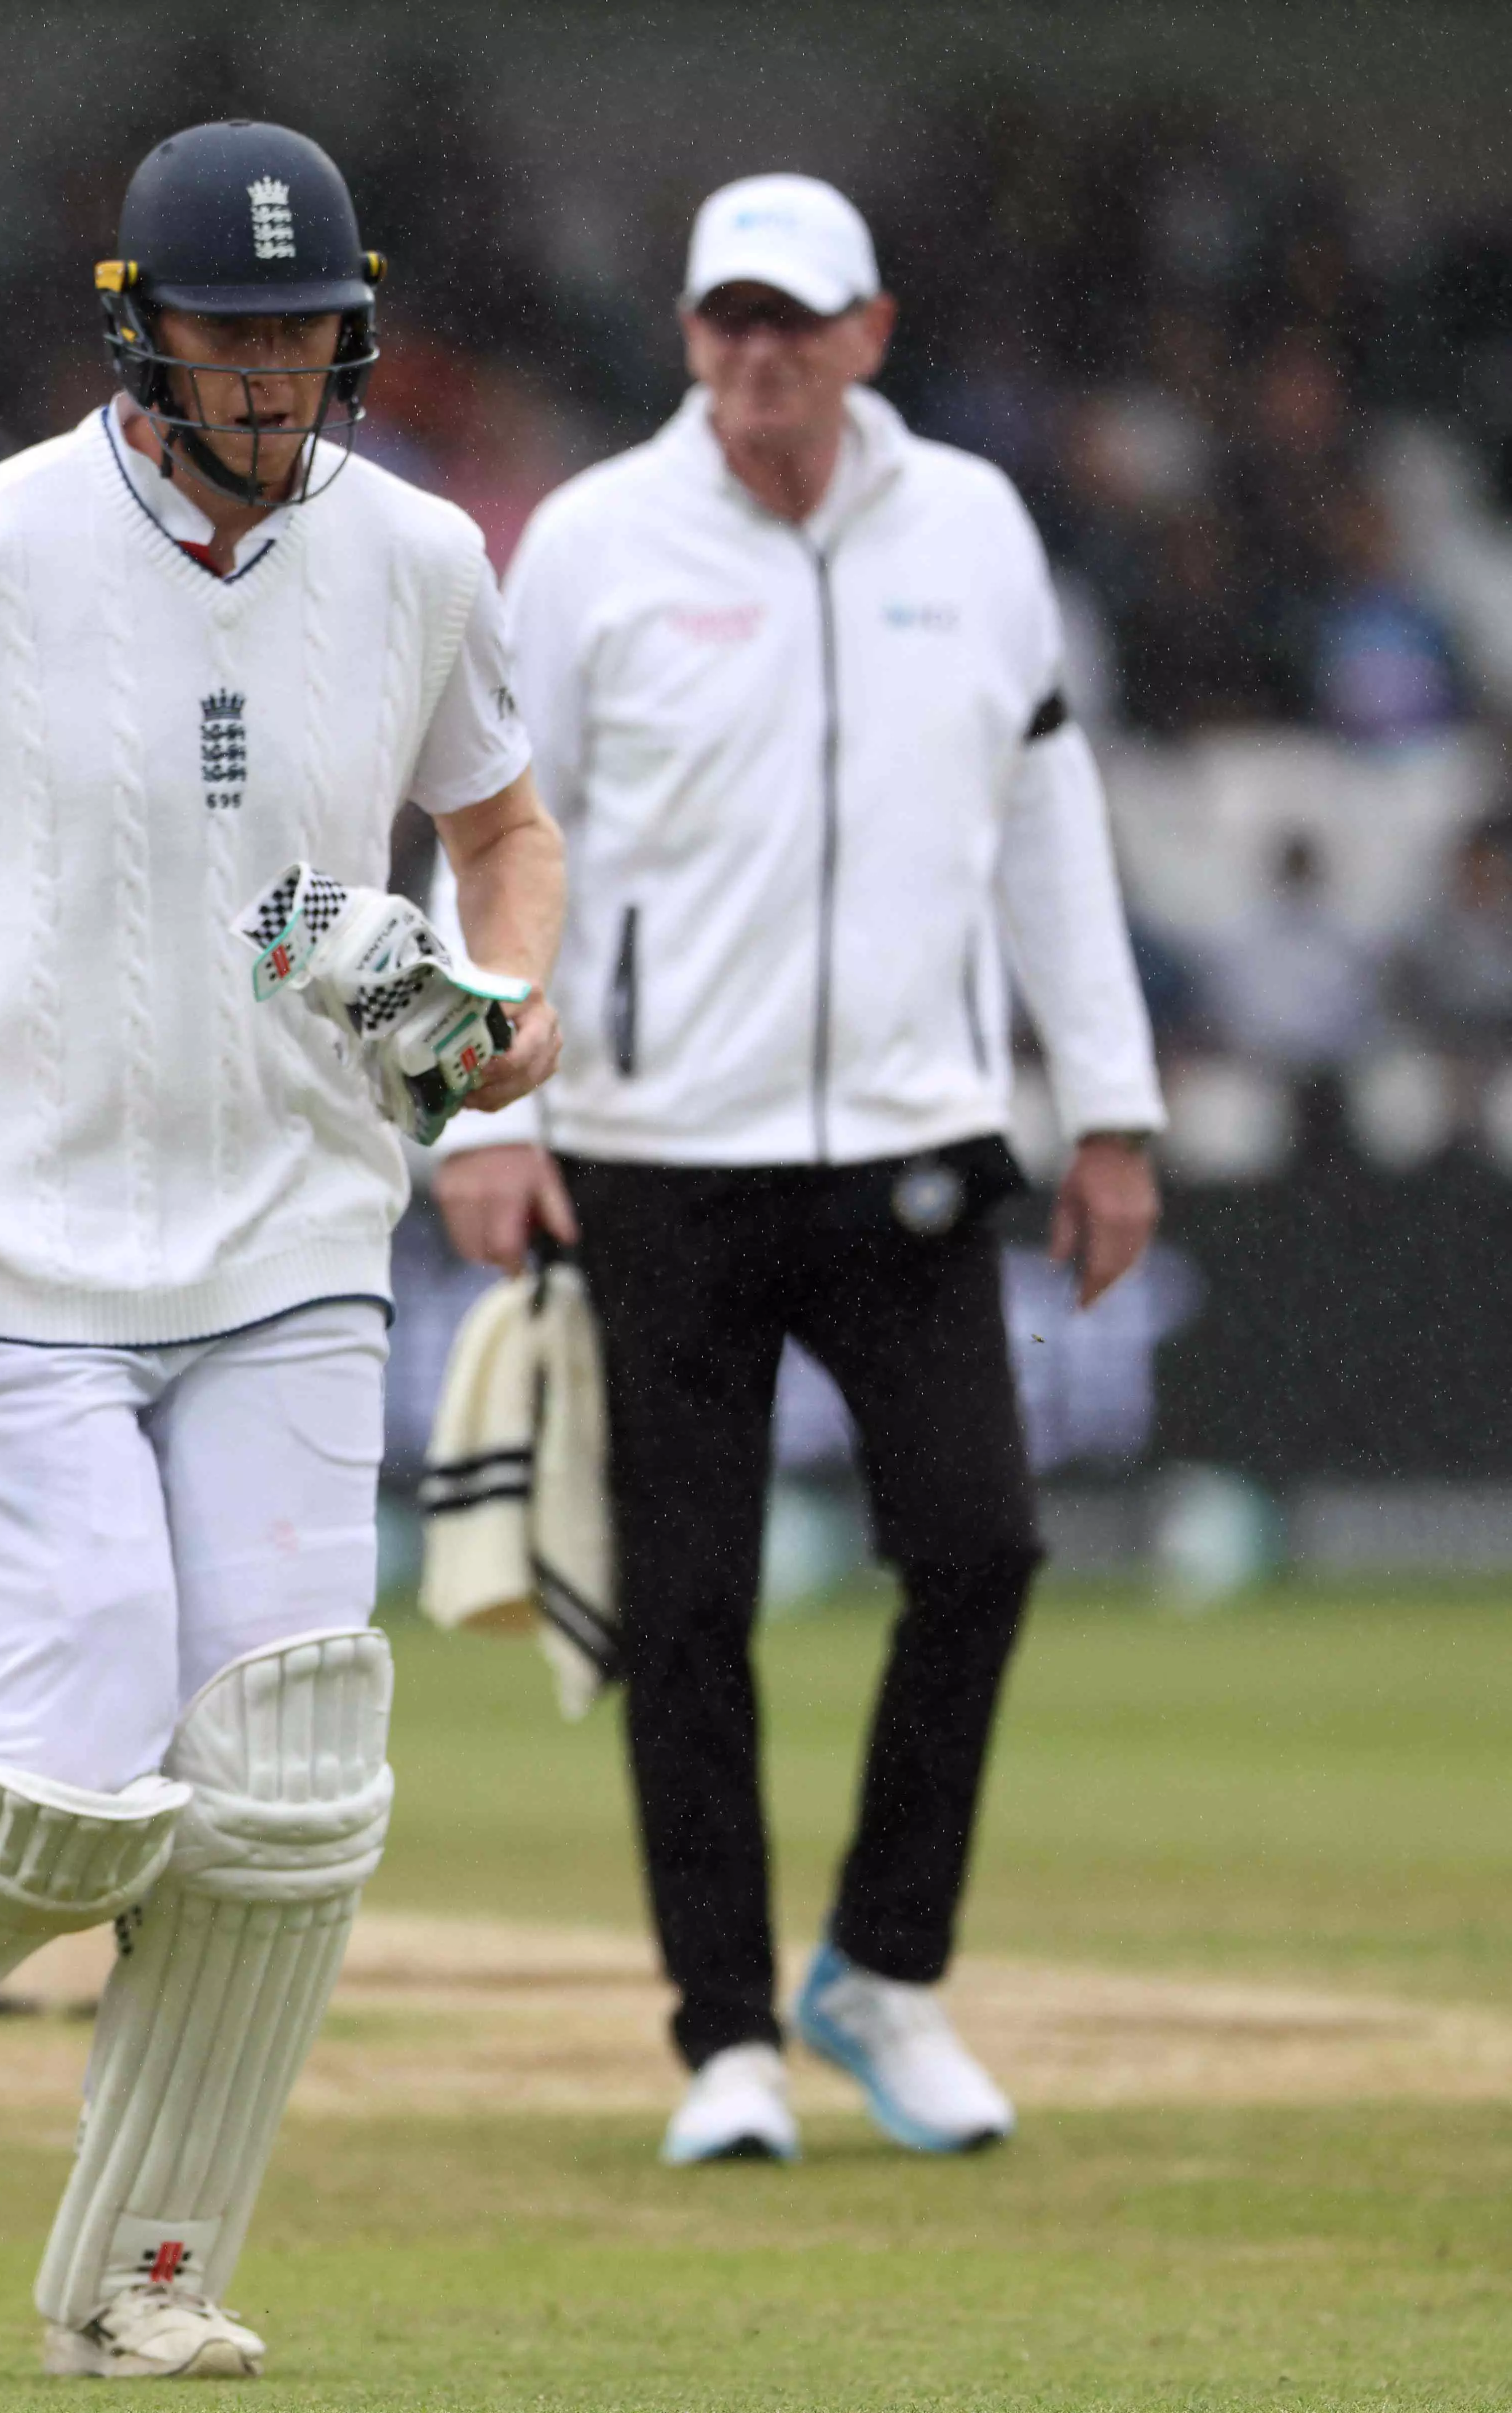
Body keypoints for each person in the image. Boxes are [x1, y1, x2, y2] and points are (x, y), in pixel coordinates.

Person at [0, 123, 565, 2379]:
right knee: (87, 1732)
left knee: (282, 1785)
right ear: (142, 332)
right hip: (14, 1241)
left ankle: (144, 2282)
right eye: (232, 332)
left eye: (306, 331)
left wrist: (511, 1002)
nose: (273, 373)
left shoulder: (418, 559)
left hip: (293, 1232)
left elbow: (503, 826)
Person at [430, 174, 1167, 2169]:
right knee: (687, 1607)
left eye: (795, 321)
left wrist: (1109, 1108)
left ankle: (883, 1975)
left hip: (914, 1135)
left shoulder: (973, 526)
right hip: (655, 1147)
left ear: (868, 334)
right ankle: (726, 2039)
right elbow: (491, 832)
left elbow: (1044, 814)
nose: (759, 354)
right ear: (690, 336)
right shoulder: (595, 539)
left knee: (980, 1549)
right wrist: (484, 1114)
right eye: (727, 320)